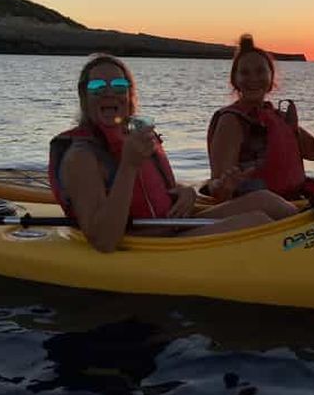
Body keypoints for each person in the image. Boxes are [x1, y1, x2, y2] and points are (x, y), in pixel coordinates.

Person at [49, 54, 296, 253]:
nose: (109, 92)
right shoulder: (80, 157)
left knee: (265, 200)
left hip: (172, 225)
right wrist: (129, 166)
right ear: (84, 96)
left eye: (119, 85)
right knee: (255, 222)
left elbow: (152, 187)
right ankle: (300, 257)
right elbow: (103, 241)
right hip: (150, 245)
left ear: (129, 95)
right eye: (97, 86)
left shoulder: (133, 136)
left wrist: (185, 191)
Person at [207, 34, 314, 202]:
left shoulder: (279, 117)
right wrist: (224, 186)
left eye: (260, 71)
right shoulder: (231, 121)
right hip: (259, 211)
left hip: (294, 202)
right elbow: (219, 191)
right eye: (244, 72)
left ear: (271, 78)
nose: (253, 78)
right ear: (235, 81)